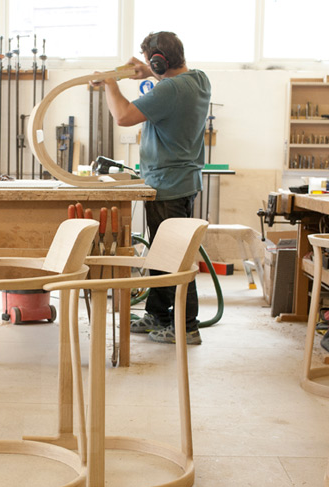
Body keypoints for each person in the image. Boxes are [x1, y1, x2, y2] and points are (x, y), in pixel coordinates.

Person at [93, 31, 210, 344]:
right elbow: (171, 88)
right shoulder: (198, 80)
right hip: (179, 183)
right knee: (163, 254)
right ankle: (157, 315)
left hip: (167, 185)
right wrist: (150, 72)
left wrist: (110, 83)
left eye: (150, 62)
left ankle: (187, 327)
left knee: (177, 258)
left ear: (160, 62)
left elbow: (123, 116)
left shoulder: (170, 89)